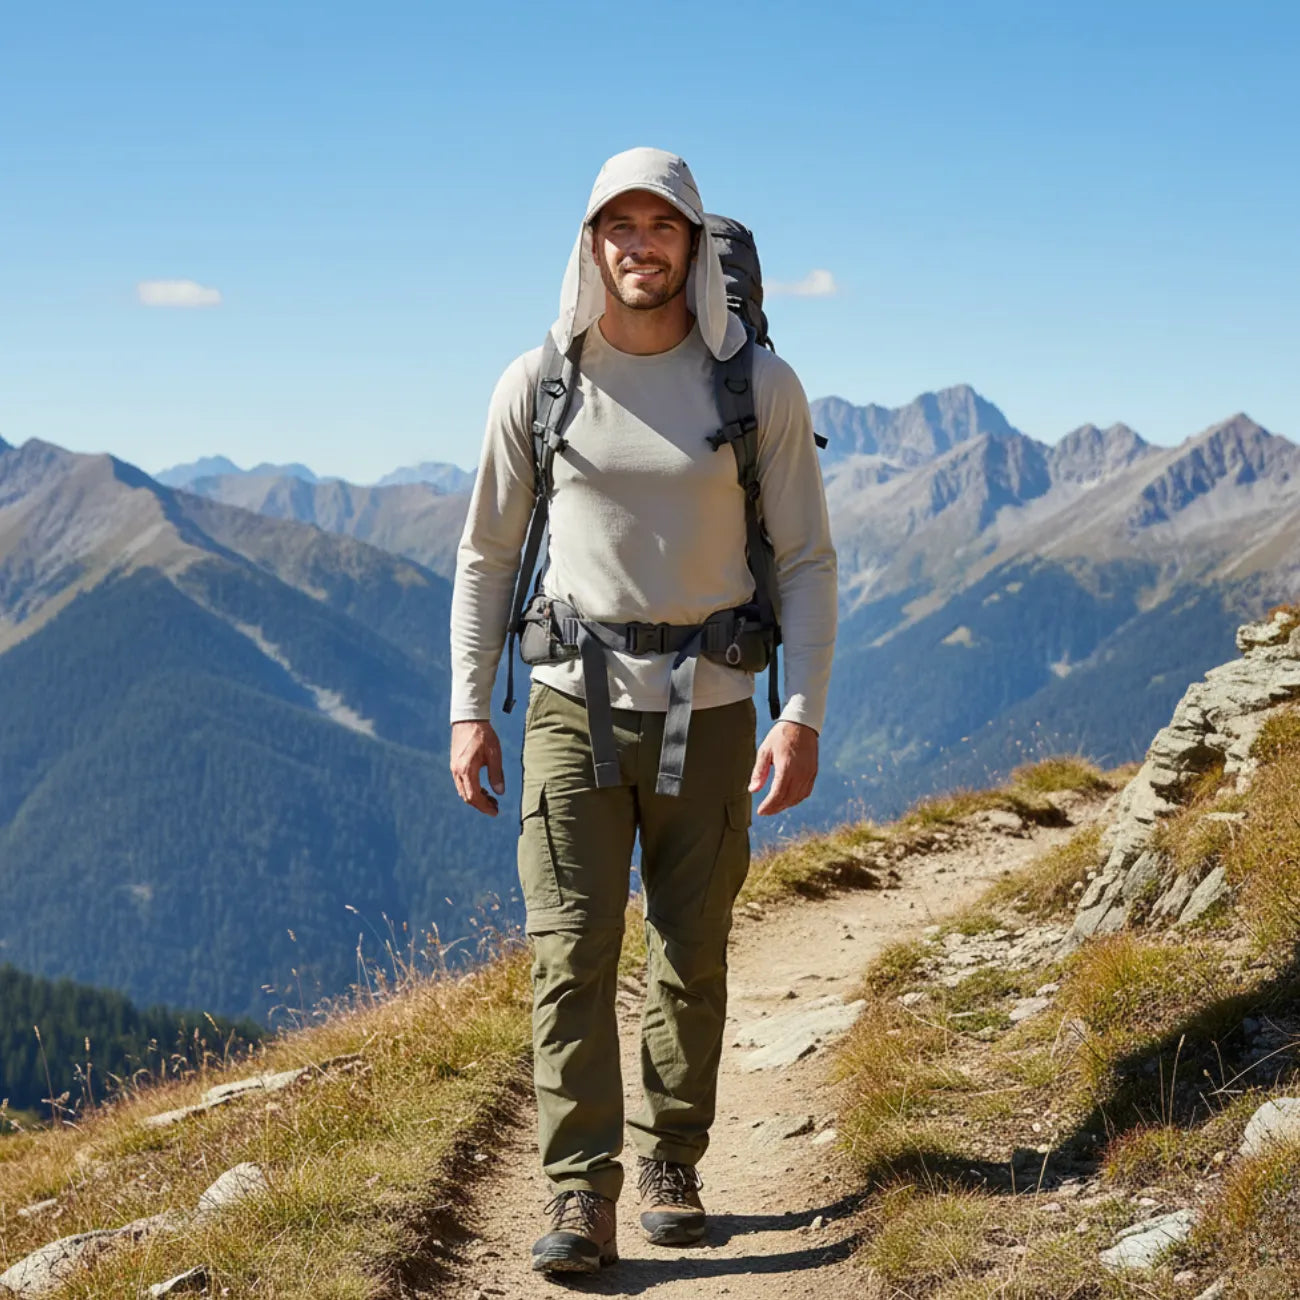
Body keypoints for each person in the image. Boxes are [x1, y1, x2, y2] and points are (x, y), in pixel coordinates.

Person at [449, 146, 837, 1274]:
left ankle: (670, 1156)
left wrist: (799, 711)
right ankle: (580, 1189)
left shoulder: (756, 388)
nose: (637, 244)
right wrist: (468, 711)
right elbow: (485, 556)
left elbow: (807, 559)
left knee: (690, 949)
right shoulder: (538, 383)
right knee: (568, 952)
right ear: (589, 244)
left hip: (713, 711)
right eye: (616, 226)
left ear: (691, 241)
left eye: (657, 226)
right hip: (572, 708)